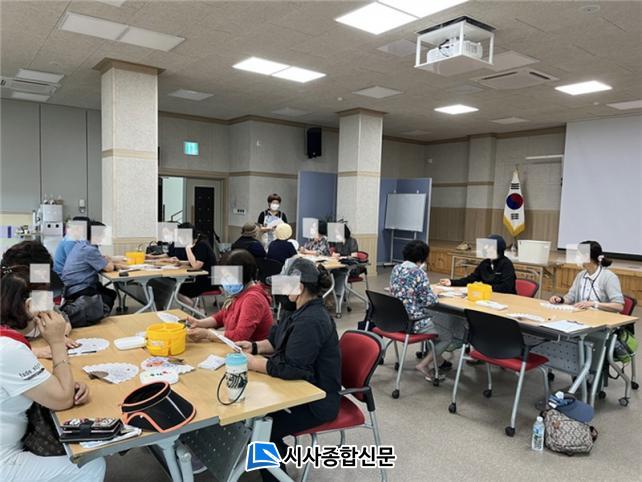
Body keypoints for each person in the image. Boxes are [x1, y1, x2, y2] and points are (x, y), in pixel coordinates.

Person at [236, 258, 340, 482]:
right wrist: (254, 347)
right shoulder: (295, 310)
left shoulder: (311, 321)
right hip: (296, 390)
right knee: (253, 418)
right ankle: (276, 460)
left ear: (299, 287)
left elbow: (292, 368)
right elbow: (275, 340)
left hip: (316, 401)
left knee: (263, 430)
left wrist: (253, 363)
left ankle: (277, 475)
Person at [0, 270, 106, 481]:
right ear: (29, 306)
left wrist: (64, 385)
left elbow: (54, 390)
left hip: (10, 440)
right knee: (90, 466)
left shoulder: (8, 340)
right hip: (4, 456)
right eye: (46, 304)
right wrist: (57, 343)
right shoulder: (9, 350)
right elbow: (63, 400)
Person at [390, 240, 456, 382]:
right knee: (447, 335)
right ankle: (424, 365)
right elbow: (430, 302)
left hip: (397, 320)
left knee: (435, 325)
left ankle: (438, 360)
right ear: (422, 258)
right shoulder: (419, 273)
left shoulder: (396, 268)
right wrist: (435, 293)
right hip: (414, 322)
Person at [1, 241, 79, 358]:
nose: (45, 282)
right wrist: (34, 351)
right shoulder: (6, 294)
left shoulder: (37, 289)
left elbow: (62, 319)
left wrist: (60, 335)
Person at [187, 250, 273, 342]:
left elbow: (240, 336)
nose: (224, 281)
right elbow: (222, 316)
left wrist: (208, 334)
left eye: (228, 277)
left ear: (244, 275)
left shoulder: (253, 299)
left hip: (247, 348)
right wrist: (198, 323)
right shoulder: (239, 293)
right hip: (236, 345)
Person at [549, 240, 624, 312]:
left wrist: (594, 304)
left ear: (587, 257)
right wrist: (560, 299)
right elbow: (570, 297)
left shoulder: (609, 277)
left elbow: (619, 306)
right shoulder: (580, 275)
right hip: (582, 315)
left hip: (602, 317)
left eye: (578, 255)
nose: (576, 258)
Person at [60, 221, 120, 311]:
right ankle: (97, 316)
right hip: (78, 288)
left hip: (70, 287)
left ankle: (99, 314)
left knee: (111, 293)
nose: (104, 238)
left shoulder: (81, 244)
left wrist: (106, 260)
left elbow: (100, 260)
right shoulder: (89, 249)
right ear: (95, 235)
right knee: (107, 298)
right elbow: (109, 268)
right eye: (103, 235)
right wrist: (109, 261)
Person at [439, 234, 517, 294]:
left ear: (498, 249)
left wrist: (483, 287)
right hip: (487, 296)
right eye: (486, 246)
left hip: (505, 298)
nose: (486, 249)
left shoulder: (506, 264)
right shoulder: (485, 263)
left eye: (489, 246)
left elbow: (506, 287)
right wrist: (452, 282)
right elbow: (471, 279)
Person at [166, 222, 217, 305]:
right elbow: (193, 261)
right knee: (173, 285)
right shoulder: (196, 242)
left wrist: (187, 248)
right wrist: (180, 262)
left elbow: (196, 265)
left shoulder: (202, 244)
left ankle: (196, 309)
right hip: (199, 277)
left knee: (175, 288)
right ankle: (196, 307)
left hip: (208, 280)